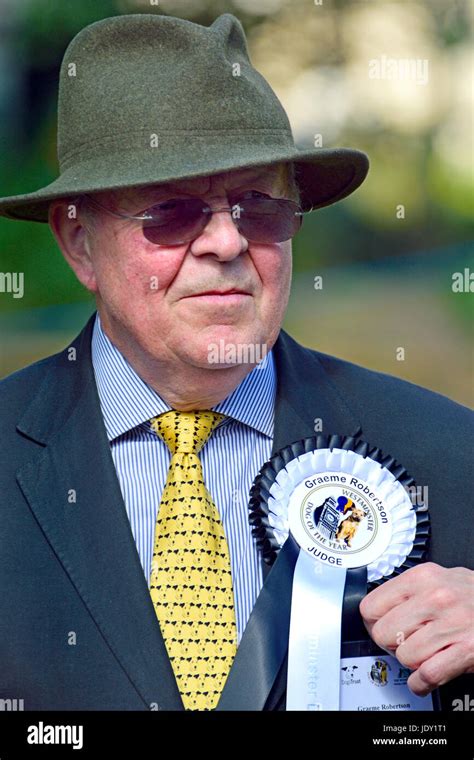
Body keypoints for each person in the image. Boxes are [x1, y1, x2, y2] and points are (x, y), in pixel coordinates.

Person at [0, 13, 472, 712]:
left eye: (259, 205)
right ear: (79, 242)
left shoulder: (449, 453)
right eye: (171, 210)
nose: (225, 240)